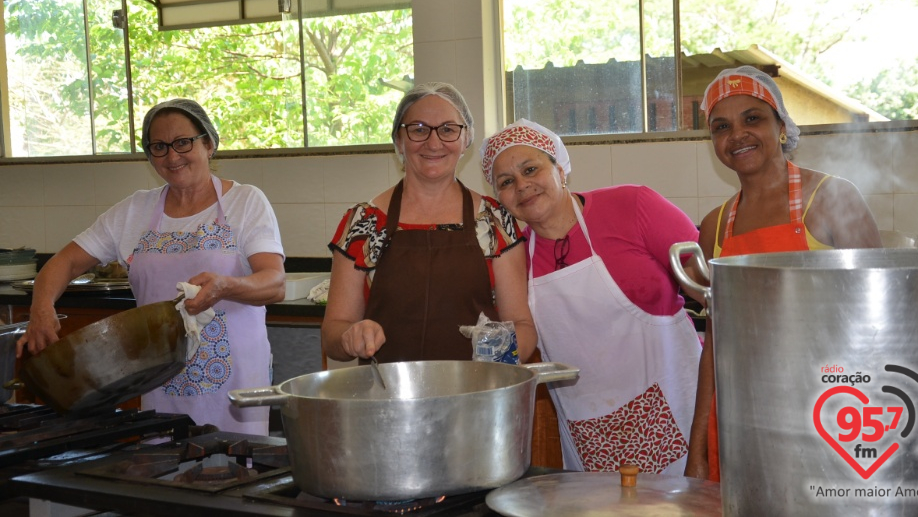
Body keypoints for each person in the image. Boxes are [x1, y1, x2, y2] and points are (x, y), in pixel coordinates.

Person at [16, 99, 285, 435]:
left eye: (183, 142)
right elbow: (64, 262)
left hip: (235, 383)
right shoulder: (134, 211)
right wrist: (41, 309)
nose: (172, 157)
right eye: (159, 147)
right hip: (158, 377)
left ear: (209, 144)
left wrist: (225, 286)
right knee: (163, 472)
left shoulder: (245, 202)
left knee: (238, 472)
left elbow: (274, 283)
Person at [685, 65, 882, 482]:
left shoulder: (832, 198)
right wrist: (698, 442)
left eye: (752, 118)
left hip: (831, 408)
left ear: (781, 126)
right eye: (722, 126)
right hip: (741, 413)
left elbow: (879, 321)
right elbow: (714, 344)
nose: (737, 134)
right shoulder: (713, 227)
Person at [480, 119, 703, 475]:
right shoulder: (514, 258)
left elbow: (707, 283)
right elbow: (514, 331)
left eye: (531, 169)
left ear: (560, 168)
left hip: (679, 410)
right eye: (506, 182)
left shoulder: (632, 205)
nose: (522, 186)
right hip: (591, 432)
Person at [322, 82, 536, 364]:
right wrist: (350, 336)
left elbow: (522, 325)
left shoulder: (496, 221)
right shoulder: (363, 223)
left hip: (475, 396)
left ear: (466, 139)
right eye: (419, 129)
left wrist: (499, 353)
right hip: (387, 398)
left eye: (448, 129)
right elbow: (333, 332)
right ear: (399, 140)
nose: (434, 143)